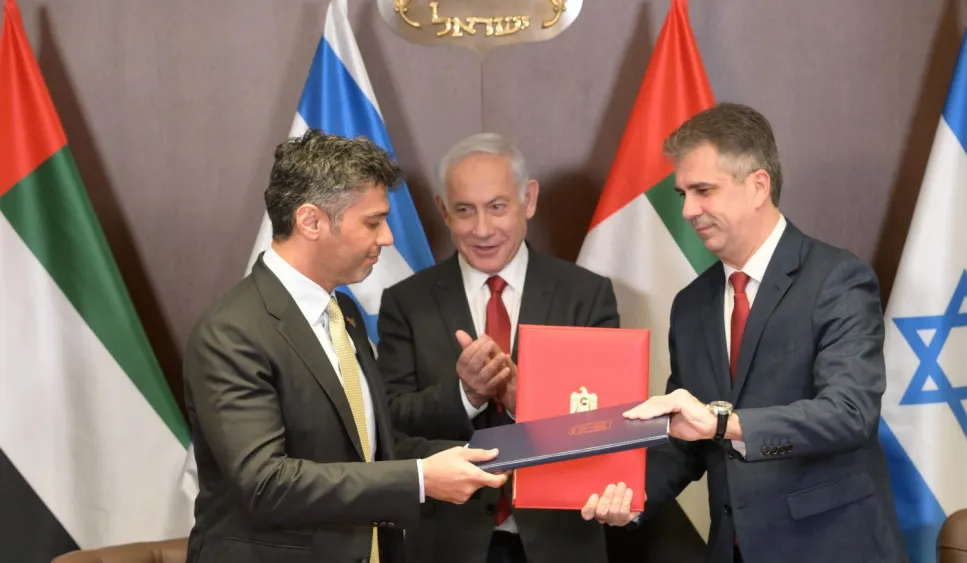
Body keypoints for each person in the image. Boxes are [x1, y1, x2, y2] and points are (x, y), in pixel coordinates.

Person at [581, 103, 907, 563]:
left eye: (704, 191)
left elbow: (849, 414)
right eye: (683, 194)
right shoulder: (692, 304)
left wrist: (723, 424)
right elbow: (685, 441)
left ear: (758, 186)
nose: (689, 210)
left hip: (831, 545)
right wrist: (629, 496)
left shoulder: (837, 279)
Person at [182, 130, 507, 563]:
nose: (388, 237)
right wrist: (419, 479)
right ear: (311, 221)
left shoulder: (344, 314)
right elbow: (266, 484)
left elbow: (368, 448)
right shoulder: (232, 332)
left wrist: (473, 458)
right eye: (373, 222)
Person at [376, 132, 619, 563]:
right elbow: (388, 424)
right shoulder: (405, 303)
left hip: (560, 541)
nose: (482, 229)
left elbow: (608, 425)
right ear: (443, 211)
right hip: (447, 543)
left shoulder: (586, 295)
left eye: (498, 207)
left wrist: (526, 398)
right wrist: (464, 396)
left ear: (529, 199)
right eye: (465, 210)